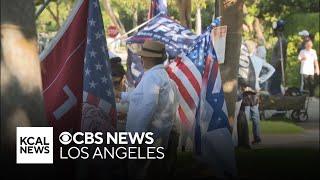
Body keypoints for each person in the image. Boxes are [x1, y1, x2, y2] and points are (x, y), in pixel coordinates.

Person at [117, 40, 179, 179]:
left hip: (146, 143)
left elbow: (145, 112)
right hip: (157, 141)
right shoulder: (160, 76)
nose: (141, 58)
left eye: (143, 55)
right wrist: (120, 95)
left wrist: (132, 143)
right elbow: (140, 97)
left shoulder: (152, 77)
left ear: (150, 58)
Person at [269, 20, 287, 95]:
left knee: (274, 90)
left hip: (276, 68)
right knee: (274, 88)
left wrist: (273, 68)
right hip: (275, 68)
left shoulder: (281, 41)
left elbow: (280, 57)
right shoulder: (280, 40)